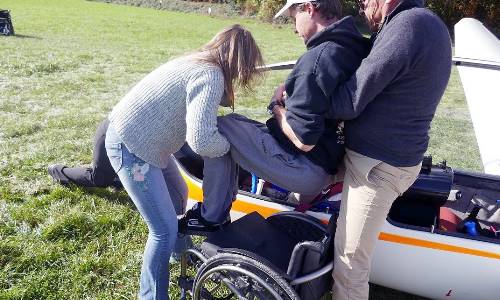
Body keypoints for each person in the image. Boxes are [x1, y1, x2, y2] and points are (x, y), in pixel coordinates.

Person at [179, 0, 371, 234]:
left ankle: (211, 217)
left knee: (221, 127)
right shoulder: (355, 49)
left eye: (293, 18)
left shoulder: (317, 60)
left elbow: (304, 140)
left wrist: (277, 105)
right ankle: (220, 204)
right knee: (238, 123)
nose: (294, 28)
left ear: (309, 9)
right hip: (330, 162)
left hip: (305, 168)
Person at [104, 25, 264, 300]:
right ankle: (152, 295)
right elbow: (201, 140)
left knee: (180, 198)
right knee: (163, 230)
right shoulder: (210, 75)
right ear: (238, 61)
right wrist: (232, 148)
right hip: (131, 149)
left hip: (151, 146)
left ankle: (183, 257)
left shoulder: (199, 63)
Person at [327, 0, 452, 299]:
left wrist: (296, 102)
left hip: (376, 168)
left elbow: (350, 100)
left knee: (349, 266)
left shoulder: (407, 26)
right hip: (389, 159)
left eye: (364, 1)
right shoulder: (424, 22)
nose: (361, 8)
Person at [47, 118, 194, 262]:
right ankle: (58, 171)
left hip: (141, 140)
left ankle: (122, 180)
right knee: (99, 179)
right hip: (113, 132)